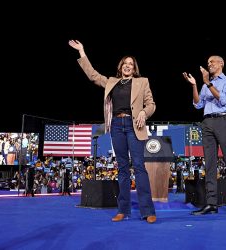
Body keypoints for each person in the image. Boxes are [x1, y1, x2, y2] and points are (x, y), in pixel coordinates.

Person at [69, 40, 157, 224]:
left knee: (140, 168)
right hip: (116, 125)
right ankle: (122, 210)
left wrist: (143, 112)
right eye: (125, 63)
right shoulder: (111, 82)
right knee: (123, 169)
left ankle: (147, 211)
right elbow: (92, 75)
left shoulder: (142, 82)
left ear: (134, 68)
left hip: (135, 127)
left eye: (131, 64)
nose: (127, 66)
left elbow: (151, 104)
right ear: (121, 66)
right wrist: (82, 52)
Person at [183, 55, 226, 215]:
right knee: (210, 164)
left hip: (224, 120)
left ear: (221, 64)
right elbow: (198, 104)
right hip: (207, 122)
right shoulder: (204, 84)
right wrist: (195, 85)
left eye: (212, 61)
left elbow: (224, 100)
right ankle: (211, 204)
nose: (209, 64)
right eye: (208, 62)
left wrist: (208, 83)